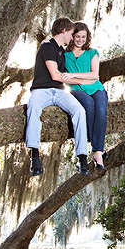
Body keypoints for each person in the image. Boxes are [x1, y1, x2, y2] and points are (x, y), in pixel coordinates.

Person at [26, 17, 90, 176]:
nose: (72, 37)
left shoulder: (63, 51)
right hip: (42, 90)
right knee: (33, 108)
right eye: (71, 33)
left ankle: (82, 159)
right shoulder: (47, 47)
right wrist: (80, 80)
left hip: (60, 92)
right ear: (64, 31)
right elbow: (55, 74)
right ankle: (35, 156)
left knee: (79, 111)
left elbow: (80, 51)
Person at [63, 22, 108, 169]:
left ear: (87, 37)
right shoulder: (65, 56)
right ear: (72, 36)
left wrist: (73, 76)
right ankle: (92, 142)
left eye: (83, 36)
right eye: (77, 36)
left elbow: (94, 75)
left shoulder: (92, 53)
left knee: (101, 110)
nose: (80, 40)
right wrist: (81, 79)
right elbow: (64, 79)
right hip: (77, 90)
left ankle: (98, 151)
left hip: (96, 88)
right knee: (88, 105)